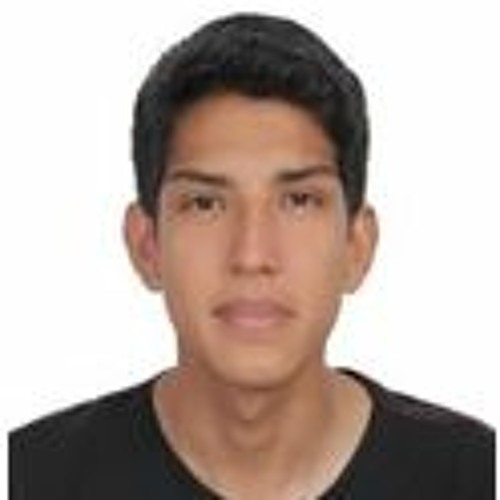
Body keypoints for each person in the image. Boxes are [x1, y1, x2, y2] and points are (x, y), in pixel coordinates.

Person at [9, 12, 494, 500]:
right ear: (146, 245)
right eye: (205, 204)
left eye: (299, 201)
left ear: (357, 245)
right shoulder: (31, 478)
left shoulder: (473, 475)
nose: (252, 255)